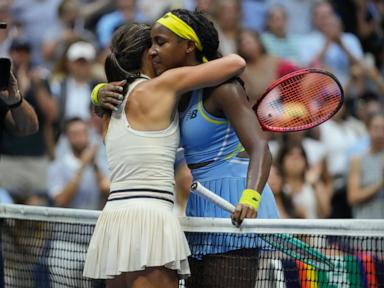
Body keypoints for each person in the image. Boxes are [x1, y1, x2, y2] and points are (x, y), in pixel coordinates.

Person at [93, 9, 279, 287]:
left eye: (161, 42)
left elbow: (260, 147)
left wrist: (251, 197)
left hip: (235, 199)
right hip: (200, 200)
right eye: (151, 45)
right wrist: (98, 94)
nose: (154, 51)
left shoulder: (223, 89)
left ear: (189, 45)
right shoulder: (172, 94)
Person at [47, 117, 110, 210]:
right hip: (69, 223)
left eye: (83, 132)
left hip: (96, 222)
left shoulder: (101, 163)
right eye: (74, 134)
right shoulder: (57, 166)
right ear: (66, 137)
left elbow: (107, 192)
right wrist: (82, 166)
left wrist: (94, 166)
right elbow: (60, 200)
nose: (80, 138)